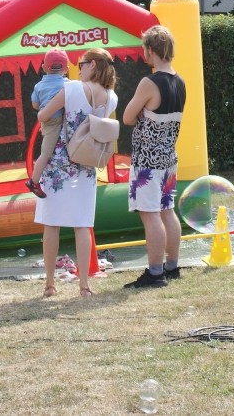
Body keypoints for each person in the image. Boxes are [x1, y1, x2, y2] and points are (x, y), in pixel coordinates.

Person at [35, 48, 118, 298]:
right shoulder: (111, 97)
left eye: (81, 64)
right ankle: (84, 286)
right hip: (86, 165)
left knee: (51, 225)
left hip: (58, 165)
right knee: (83, 225)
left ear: (92, 65)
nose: (78, 68)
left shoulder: (71, 89)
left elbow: (42, 114)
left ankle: (50, 284)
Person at [123, 25, 186, 289]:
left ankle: (155, 273)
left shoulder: (149, 82)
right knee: (167, 212)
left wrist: (140, 115)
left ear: (151, 49)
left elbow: (127, 117)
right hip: (169, 158)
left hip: (148, 162)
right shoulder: (179, 81)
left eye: (144, 49)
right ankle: (171, 267)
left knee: (150, 216)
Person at [25, 49, 69, 198]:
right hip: (56, 121)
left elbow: (35, 105)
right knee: (46, 153)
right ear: (67, 69)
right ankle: (33, 181)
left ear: (44, 68)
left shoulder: (38, 86)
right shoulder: (68, 84)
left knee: (47, 146)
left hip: (48, 121)